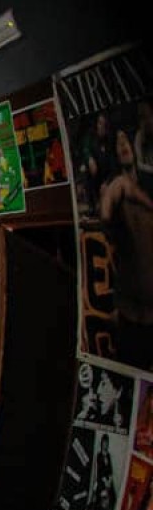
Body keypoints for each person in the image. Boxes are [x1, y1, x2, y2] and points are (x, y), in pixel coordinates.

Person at [99, 126, 153, 369]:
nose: (122, 145)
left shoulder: (145, 184)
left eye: (125, 140)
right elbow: (106, 216)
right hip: (131, 311)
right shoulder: (115, 188)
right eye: (117, 142)